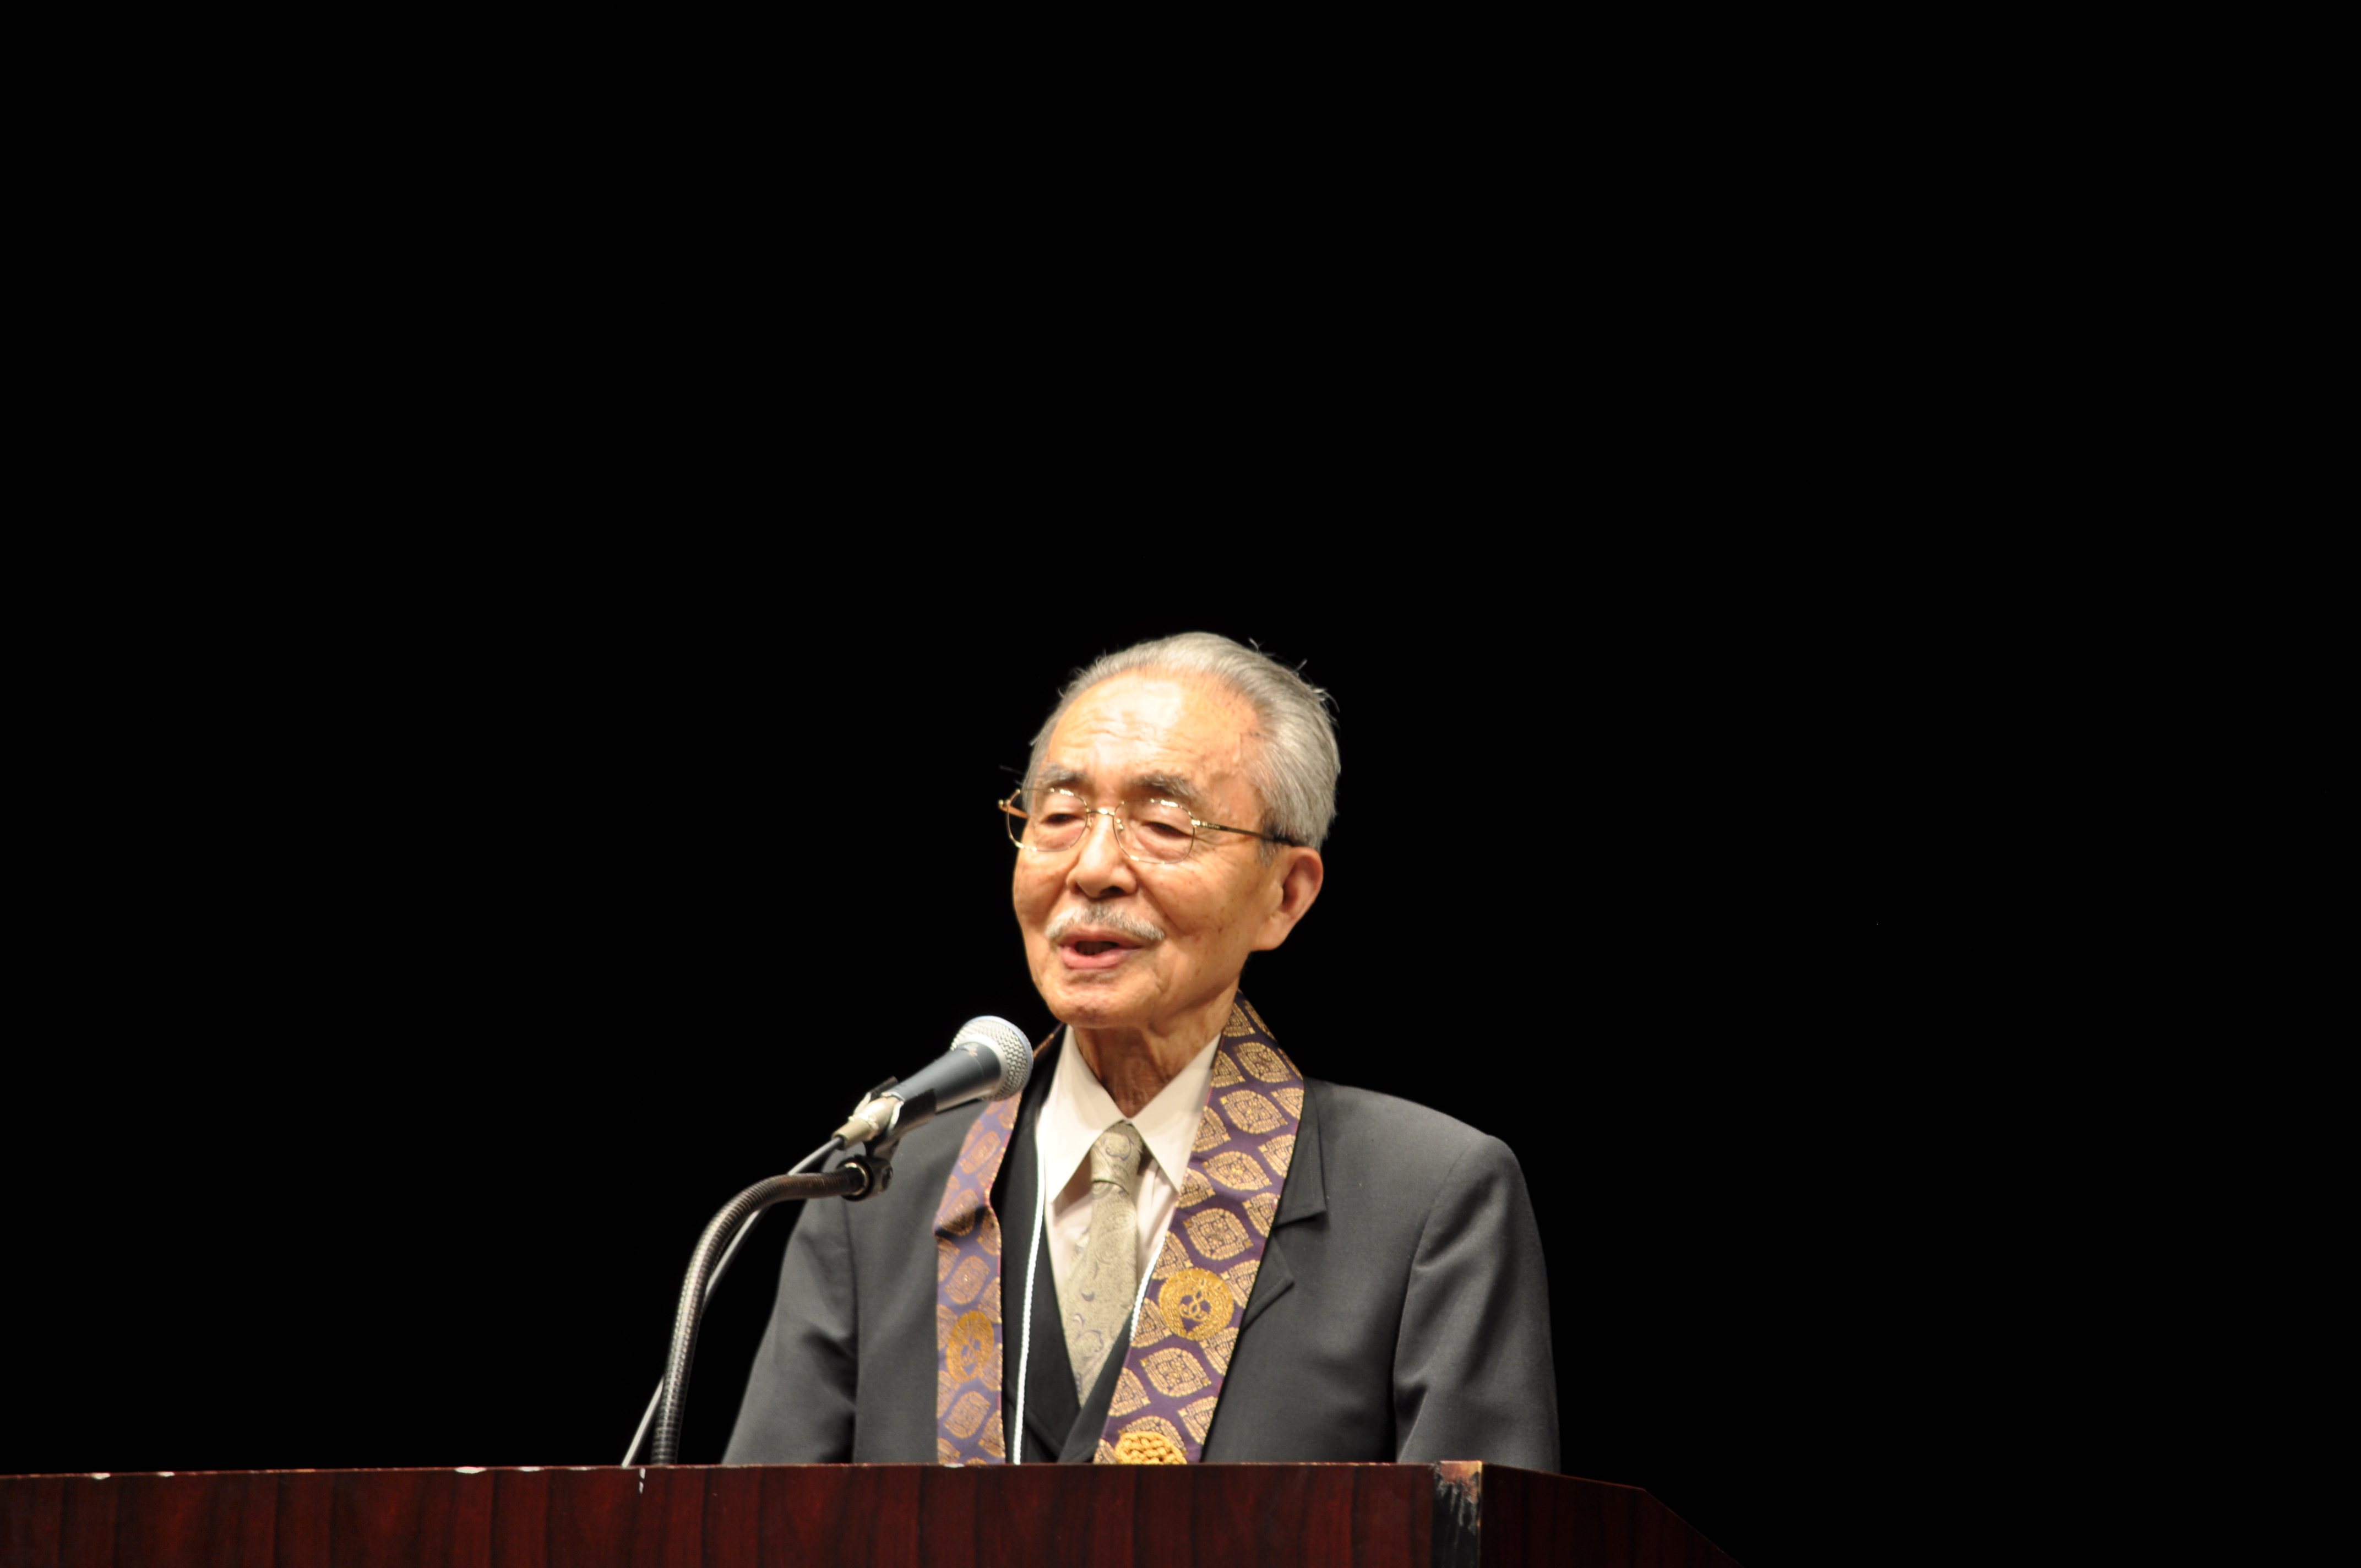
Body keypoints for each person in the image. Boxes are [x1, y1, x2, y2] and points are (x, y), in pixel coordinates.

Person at [725, 633, 1557, 1468]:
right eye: (1058, 817)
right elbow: (758, 1525)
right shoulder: (876, 1191)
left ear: (1285, 895)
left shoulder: (1424, 1200)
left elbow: (1473, 1526)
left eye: (1163, 824)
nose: (1093, 869)